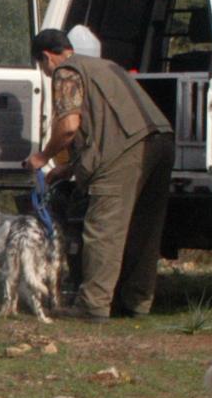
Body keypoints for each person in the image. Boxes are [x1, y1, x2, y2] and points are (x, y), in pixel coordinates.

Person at [23, 26, 175, 319]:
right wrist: (67, 169)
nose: (45, 72)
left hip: (125, 150)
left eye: (41, 67)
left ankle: (92, 306)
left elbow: (68, 127)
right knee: (145, 229)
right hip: (162, 142)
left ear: (46, 57)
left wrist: (42, 157)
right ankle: (136, 302)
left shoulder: (66, 71)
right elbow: (106, 123)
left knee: (103, 228)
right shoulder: (107, 66)